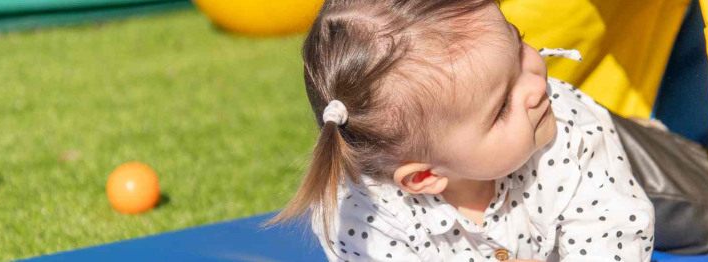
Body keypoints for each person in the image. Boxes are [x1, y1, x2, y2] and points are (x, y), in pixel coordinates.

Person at [270, 0, 655, 260]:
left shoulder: (567, 122)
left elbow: (613, 229)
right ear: (423, 176)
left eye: (519, 45)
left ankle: (653, 137)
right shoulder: (366, 218)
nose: (537, 85)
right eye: (501, 108)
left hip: (645, 167)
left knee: (683, 200)